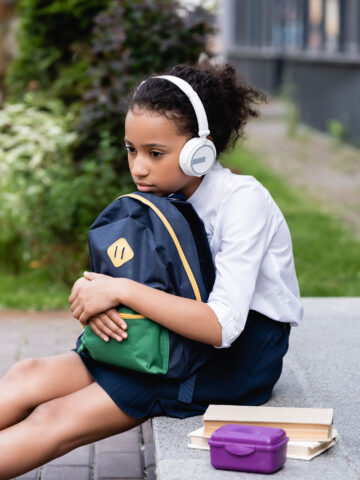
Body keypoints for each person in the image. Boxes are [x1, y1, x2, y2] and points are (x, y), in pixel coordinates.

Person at [0, 61, 303, 478]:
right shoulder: (165, 194)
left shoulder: (241, 202)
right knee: (27, 372)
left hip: (233, 359)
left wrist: (121, 292)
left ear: (202, 150)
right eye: (131, 150)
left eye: (155, 153)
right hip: (169, 338)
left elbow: (222, 327)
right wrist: (95, 296)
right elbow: (139, 277)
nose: (138, 167)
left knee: (55, 419)